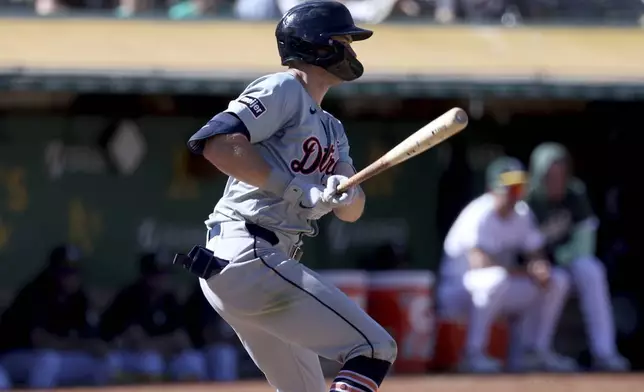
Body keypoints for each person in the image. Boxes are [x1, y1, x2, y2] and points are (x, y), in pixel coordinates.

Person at [181, 2, 396, 392]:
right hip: (247, 251)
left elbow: (353, 209)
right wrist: (296, 188)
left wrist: (342, 196)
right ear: (319, 46)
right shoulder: (283, 88)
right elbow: (215, 145)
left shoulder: (332, 128)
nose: (351, 50)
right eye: (344, 41)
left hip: (256, 263)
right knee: (374, 348)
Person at [436, 156, 576, 373]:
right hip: (457, 291)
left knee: (557, 280)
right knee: (495, 279)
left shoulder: (521, 212)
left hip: (497, 288)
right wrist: (526, 272)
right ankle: (472, 353)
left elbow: (535, 251)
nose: (513, 194)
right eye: (509, 188)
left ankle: (535, 352)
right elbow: (480, 263)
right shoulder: (479, 213)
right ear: (493, 189)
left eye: (518, 187)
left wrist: (539, 266)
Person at [526, 142, 630, 371]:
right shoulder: (528, 199)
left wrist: (563, 257)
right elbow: (524, 244)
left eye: (561, 175)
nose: (557, 181)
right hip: (538, 269)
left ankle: (604, 352)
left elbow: (586, 239)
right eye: (550, 176)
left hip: (565, 262)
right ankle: (538, 351)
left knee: (592, 269)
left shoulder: (575, 193)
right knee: (557, 281)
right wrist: (538, 262)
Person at [0, 245, 114, 388]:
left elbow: (92, 338)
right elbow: (41, 342)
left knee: (102, 362)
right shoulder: (35, 292)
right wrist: (80, 345)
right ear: (53, 271)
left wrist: (95, 346)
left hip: (58, 355)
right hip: (15, 357)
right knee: (48, 361)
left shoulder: (79, 297)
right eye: (65, 272)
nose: (71, 278)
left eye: (74, 272)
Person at [99, 252, 207, 382]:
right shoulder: (130, 297)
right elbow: (137, 342)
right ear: (146, 276)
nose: (163, 279)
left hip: (161, 353)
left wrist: (163, 344)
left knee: (193, 361)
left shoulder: (169, 299)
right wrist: (166, 343)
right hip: (126, 355)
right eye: (158, 275)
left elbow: (181, 339)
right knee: (150, 361)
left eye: (165, 274)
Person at [183, 284, 240, 382]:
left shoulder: (231, 297)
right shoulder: (201, 296)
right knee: (222, 354)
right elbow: (207, 333)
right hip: (197, 349)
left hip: (218, 347)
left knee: (225, 352)